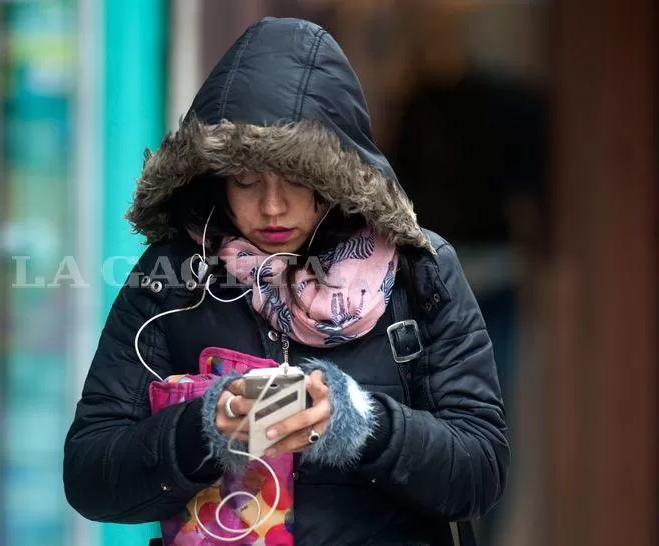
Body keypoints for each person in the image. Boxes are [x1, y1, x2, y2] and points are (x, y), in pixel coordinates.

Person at [64, 17, 508, 546]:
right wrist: (206, 428)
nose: (272, 207)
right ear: (214, 179)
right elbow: (90, 475)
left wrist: (360, 423)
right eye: (246, 181)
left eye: (298, 179)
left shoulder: (419, 269)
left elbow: (481, 471)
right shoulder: (173, 278)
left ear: (338, 175)